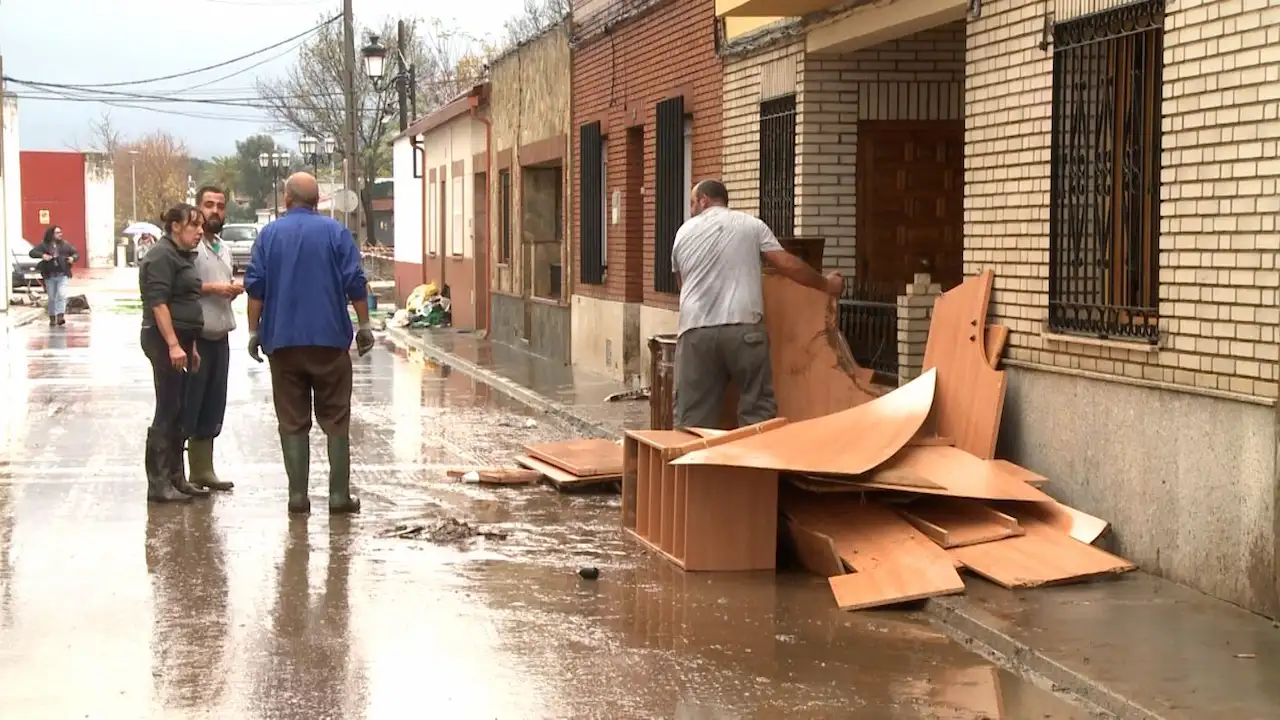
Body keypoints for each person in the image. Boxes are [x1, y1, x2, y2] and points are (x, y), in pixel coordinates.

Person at [244, 172, 375, 516]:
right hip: (329, 341)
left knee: (291, 420)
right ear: (317, 202)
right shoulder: (335, 233)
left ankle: (298, 498)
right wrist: (364, 325)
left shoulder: (269, 235)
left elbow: (255, 286)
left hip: (282, 342)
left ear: (287, 199)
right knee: (335, 418)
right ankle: (338, 496)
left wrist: (253, 331)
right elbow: (354, 281)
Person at [670, 179, 844, 429]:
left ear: (704, 200)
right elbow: (786, 263)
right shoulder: (750, 225)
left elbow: (682, 284)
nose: (691, 209)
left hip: (695, 332)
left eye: (692, 203)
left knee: (692, 417)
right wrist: (826, 284)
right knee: (758, 411)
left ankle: (692, 466)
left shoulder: (682, 233)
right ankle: (753, 465)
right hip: (744, 330)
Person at [139, 203, 210, 503]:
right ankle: (158, 483)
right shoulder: (161, 255)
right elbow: (158, 304)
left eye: (201, 226)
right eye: (194, 225)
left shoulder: (180, 254)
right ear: (175, 226)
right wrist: (172, 344)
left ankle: (176, 478)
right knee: (167, 408)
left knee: (179, 408)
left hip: (183, 338)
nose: (199, 231)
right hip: (163, 338)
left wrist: (188, 347)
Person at [182, 186, 243, 492]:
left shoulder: (222, 247)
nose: (215, 211)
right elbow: (184, 287)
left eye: (220, 205)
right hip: (196, 336)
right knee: (189, 403)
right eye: (209, 205)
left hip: (221, 333)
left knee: (213, 403)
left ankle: (204, 470)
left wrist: (229, 288)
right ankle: (181, 474)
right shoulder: (190, 248)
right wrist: (216, 288)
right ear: (197, 209)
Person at [29, 225, 80, 327]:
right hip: (50, 275)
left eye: (60, 232)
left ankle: (60, 316)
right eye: (57, 232)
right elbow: (32, 253)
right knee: (52, 297)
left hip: (63, 274)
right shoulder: (44, 245)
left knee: (61, 294)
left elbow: (75, 253)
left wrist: (72, 258)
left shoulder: (65, 245)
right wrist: (42, 255)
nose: (60, 234)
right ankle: (52, 317)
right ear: (51, 234)